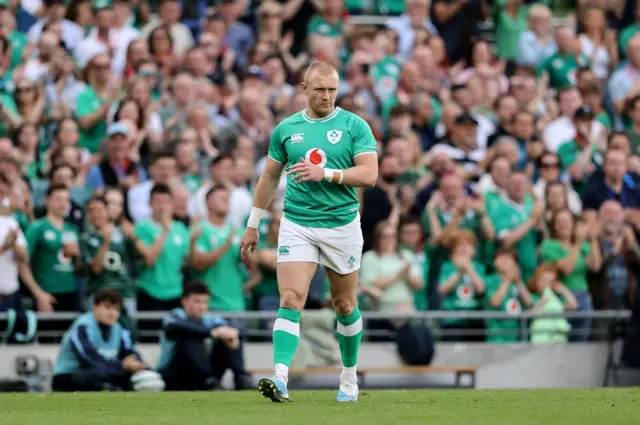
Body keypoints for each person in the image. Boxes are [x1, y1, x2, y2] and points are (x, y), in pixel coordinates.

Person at [240, 61, 378, 402]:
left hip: (341, 224)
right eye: (320, 89)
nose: (327, 96)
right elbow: (269, 178)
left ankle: (348, 377)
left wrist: (327, 173)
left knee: (344, 304)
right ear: (304, 89)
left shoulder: (354, 125)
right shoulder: (287, 129)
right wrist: (252, 225)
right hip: (297, 223)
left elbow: (369, 175)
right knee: (290, 298)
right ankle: (280, 377)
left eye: (332, 89)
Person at [52, 289, 149, 392]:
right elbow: (89, 360)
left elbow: (130, 351)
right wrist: (122, 366)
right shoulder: (83, 327)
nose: (112, 313)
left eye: (116, 309)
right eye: (107, 307)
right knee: (99, 374)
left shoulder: (118, 328)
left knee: (147, 374)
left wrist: (137, 364)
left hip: (107, 372)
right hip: (69, 376)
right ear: (95, 307)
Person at [157, 281, 247, 391]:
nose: (202, 307)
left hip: (203, 373)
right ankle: (208, 378)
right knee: (190, 337)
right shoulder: (173, 316)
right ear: (184, 301)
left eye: (205, 302)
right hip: (175, 374)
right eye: (197, 302)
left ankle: (241, 378)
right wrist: (212, 332)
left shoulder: (209, 319)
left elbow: (239, 330)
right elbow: (177, 327)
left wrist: (232, 333)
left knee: (229, 336)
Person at [132, 183, 190, 311]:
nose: (162, 206)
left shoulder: (180, 229)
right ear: (150, 204)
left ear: (172, 204)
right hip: (150, 291)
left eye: (166, 202)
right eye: (157, 202)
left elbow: (186, 260)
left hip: (176, 292)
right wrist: (164, 231)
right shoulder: (142, 228)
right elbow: (150, 259)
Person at [26, 184, 81, 311]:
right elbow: (24, 262)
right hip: (47, 292)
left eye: (66, 199)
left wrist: (77, 256)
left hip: (70, 291)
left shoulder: (72, 229)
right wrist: (38, 293)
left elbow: (78, 268)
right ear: (47, 200)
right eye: (58, 199)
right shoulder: (37, 227)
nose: (63, 204)